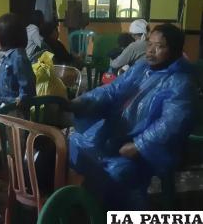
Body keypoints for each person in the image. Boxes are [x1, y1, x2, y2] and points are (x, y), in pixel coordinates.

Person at [67, 23, 197, 209]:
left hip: (152, 148)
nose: (151, 51)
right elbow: (113, 89)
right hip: (122, 133)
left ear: (175, 50)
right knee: (76, 144)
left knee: (118, 171)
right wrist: (83, 100)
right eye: (149, 44)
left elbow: (171, 125)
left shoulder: (180, 83)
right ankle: (92, 201)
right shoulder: (142, 67)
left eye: (159, 46)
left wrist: (139, 145)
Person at [0, 13, 36, 105]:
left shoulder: (18, 58)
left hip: (11, 108)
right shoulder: (8, 55)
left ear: (6, 37)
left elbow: (27, 86)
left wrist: (21, 100)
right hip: (2, 99)